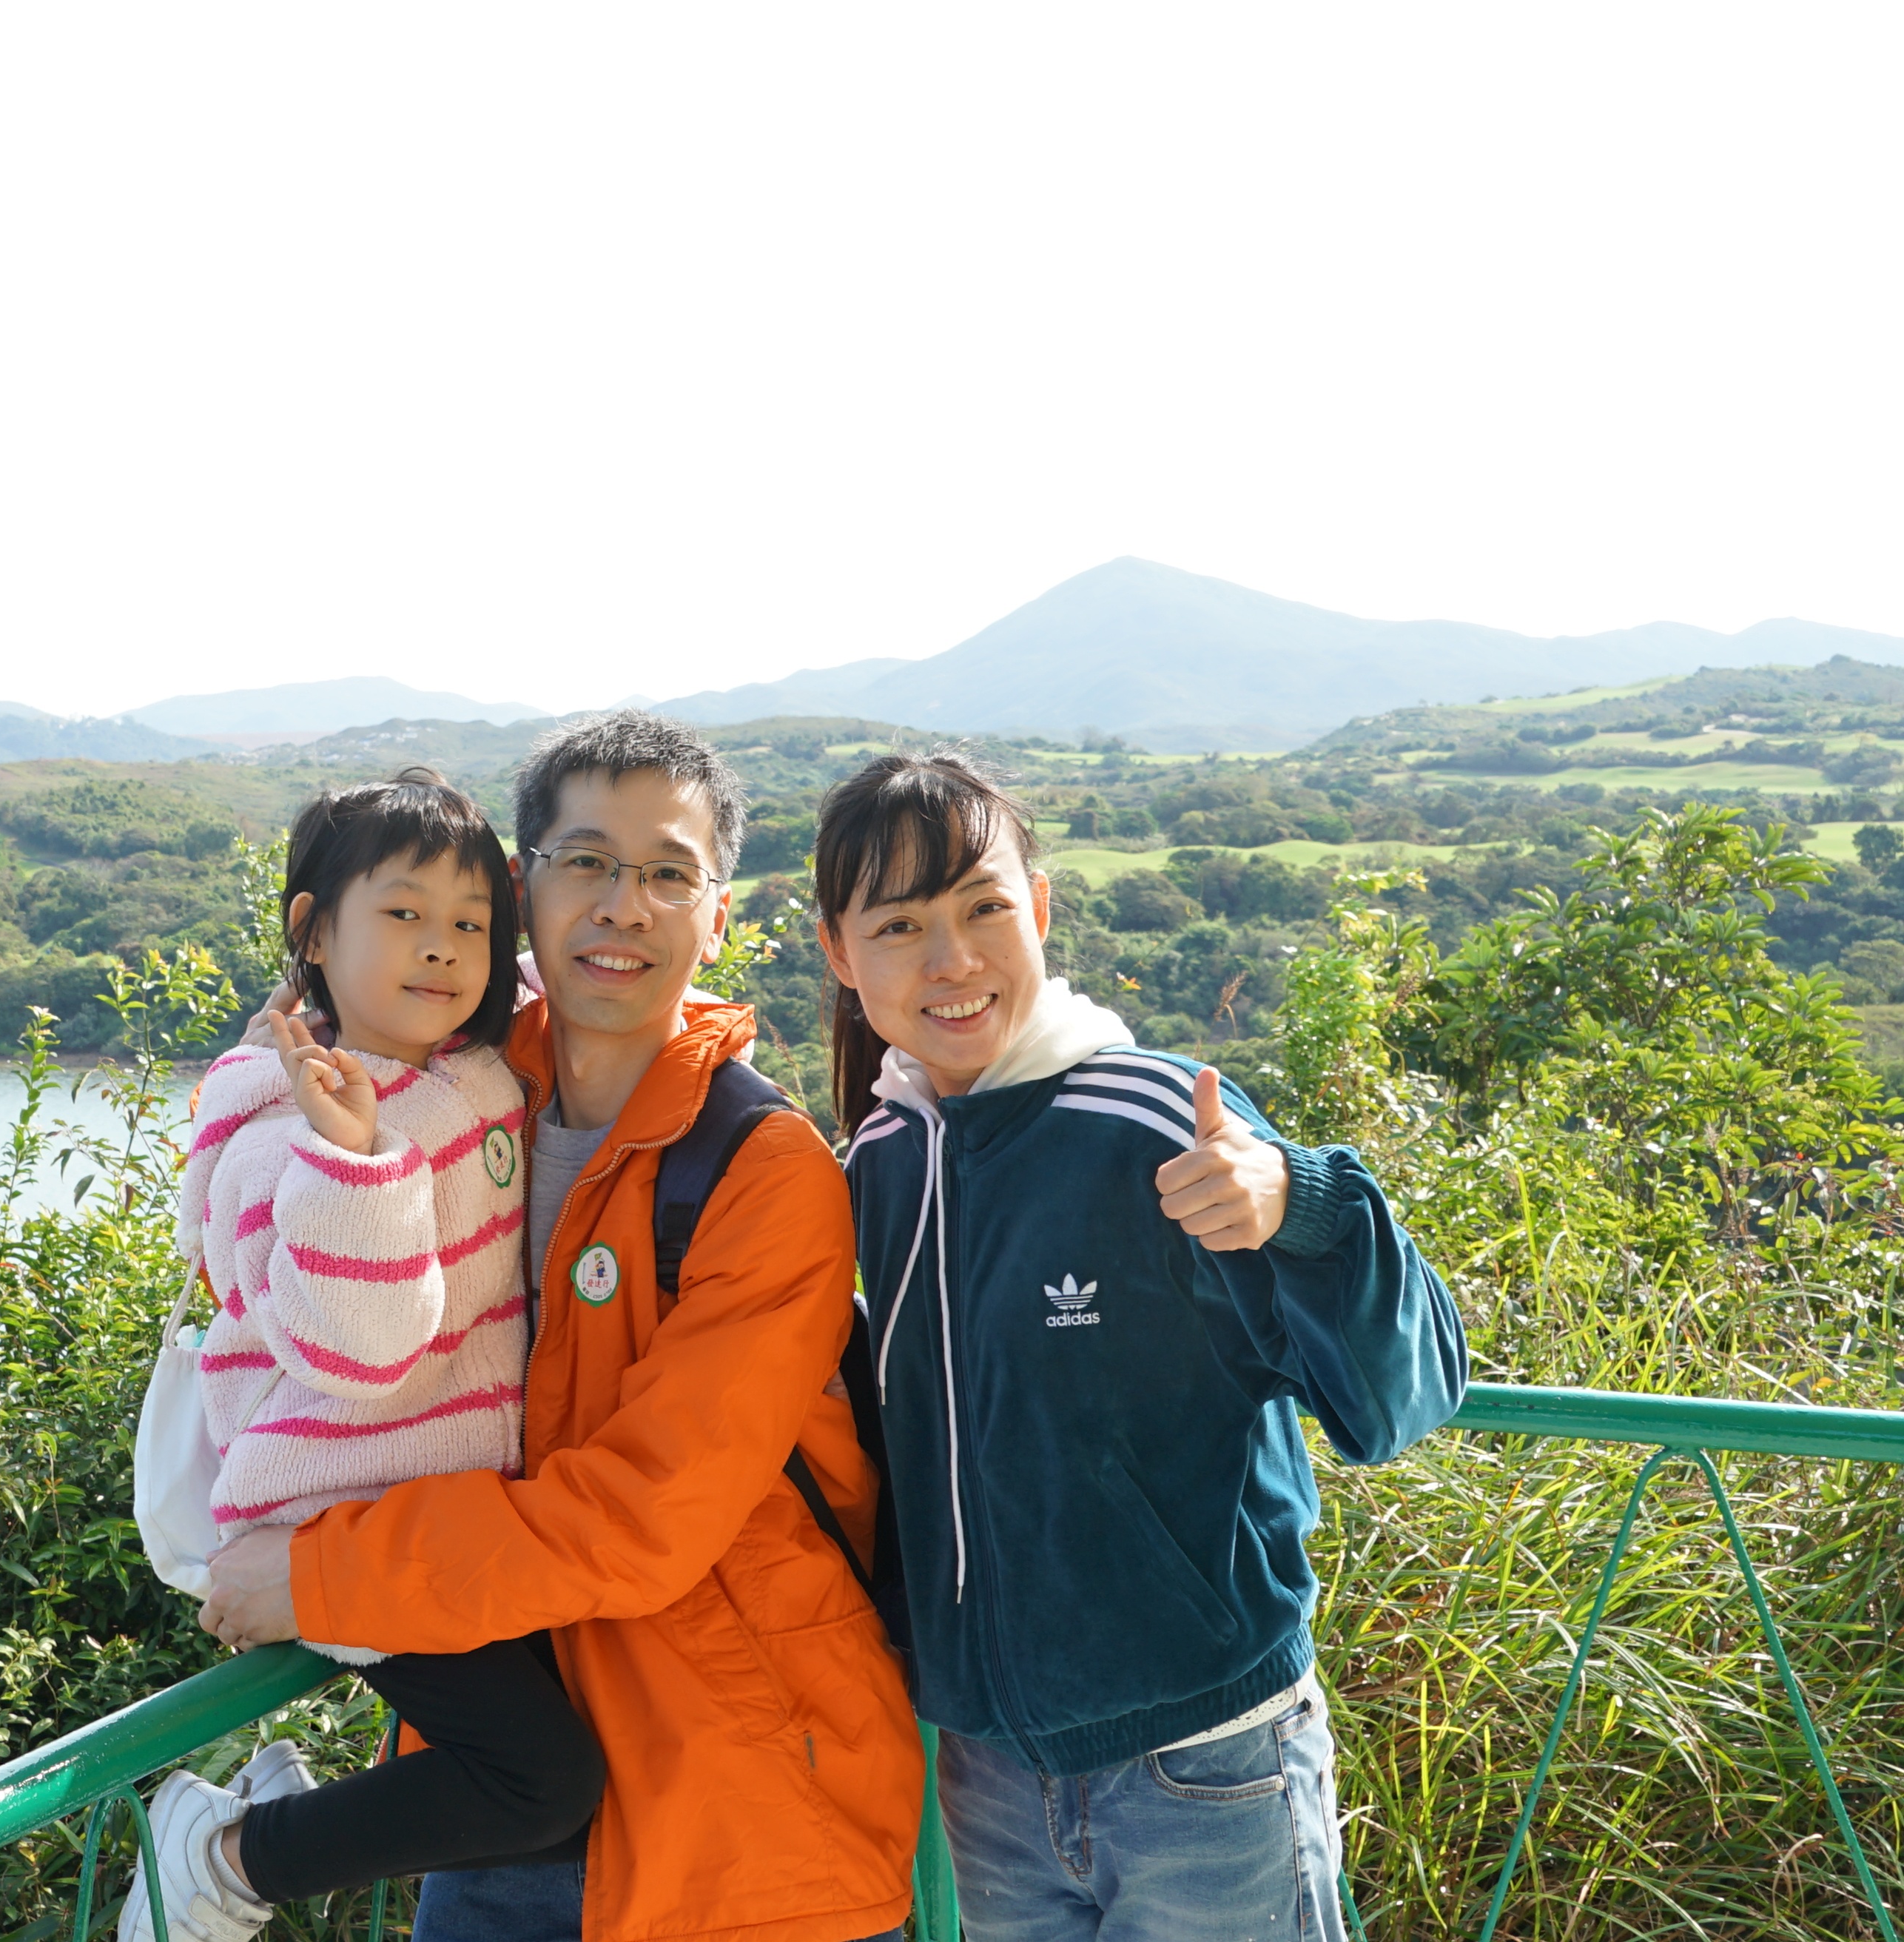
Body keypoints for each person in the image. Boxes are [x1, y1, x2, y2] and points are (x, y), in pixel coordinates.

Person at [206, 713, 922, 1942]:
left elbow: (646, 1515)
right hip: (505, 1812)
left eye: (668, 874)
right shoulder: (455, 1087)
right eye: (584, 861)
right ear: (520, 887)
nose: (621, 906)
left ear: (717, 912)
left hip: (741, 1813)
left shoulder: (764, 1174)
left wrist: (322, 1576)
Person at [810, 751, 1467, 1941]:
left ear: (1039, 909)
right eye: (899, 926)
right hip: (989, 1779)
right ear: (840, 955)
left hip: (1207, 1761)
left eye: (983, 908)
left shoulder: (1158, 1121)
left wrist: (1304, 1205)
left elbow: (1404, 1396)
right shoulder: (881, 1164)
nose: (951, 960)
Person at [127, 771, 607, 1942]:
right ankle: (228, 1856)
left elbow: (545, 984)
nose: (441, 948)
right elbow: (365, 1354)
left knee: (574, 1764)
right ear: (313, 930)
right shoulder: (283, 1141)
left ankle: (268, 1810)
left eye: (470, 924)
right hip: (343, 1516)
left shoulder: (461, 1065)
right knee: (544, 1786)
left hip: (441, 1508)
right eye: (402, 914)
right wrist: (353, 1159)